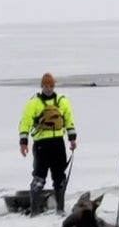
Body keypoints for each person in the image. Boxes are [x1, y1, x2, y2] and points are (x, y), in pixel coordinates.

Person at [19, 73, 77, 216]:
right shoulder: (34, 103)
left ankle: (60, 209)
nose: (48, 88)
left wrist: (72, 139)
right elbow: (25, 123)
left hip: (58, 143)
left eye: (51, 85)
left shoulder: (62, 101)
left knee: (59, 178)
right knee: (39, 178)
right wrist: (23, 142)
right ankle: (34, 211)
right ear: (42, 86)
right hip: (41, 144)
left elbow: (69, 120)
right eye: (46, 86)